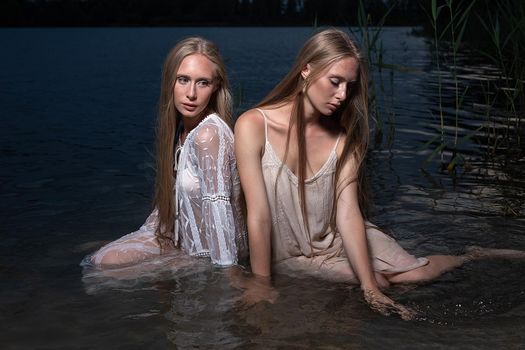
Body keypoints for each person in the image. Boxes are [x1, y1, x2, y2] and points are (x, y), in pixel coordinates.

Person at [234, 28, 525, 319]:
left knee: (416, 275)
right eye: (335, 82)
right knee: (380, 282)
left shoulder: (342, 138)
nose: (342, 95)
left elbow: (348, 214)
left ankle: (470, 255)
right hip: (290, 254)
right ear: (307, 69)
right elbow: (258, 214)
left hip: (336, 237)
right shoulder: (253, 125)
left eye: (349, 85)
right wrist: (261, 283)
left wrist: (369, 287)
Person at [81, 37, 247, 271]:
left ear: (216, 86)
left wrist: (227, 275)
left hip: (207, 252)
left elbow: (218, 210)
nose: (191, 94)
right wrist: (146, 236)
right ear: (170, 81)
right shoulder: (183, 130)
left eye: (203, 83)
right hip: (180, 238)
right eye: (183, 80)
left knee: (103, 266)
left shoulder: (208, 135)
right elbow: (173, 202)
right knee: (102, 258)